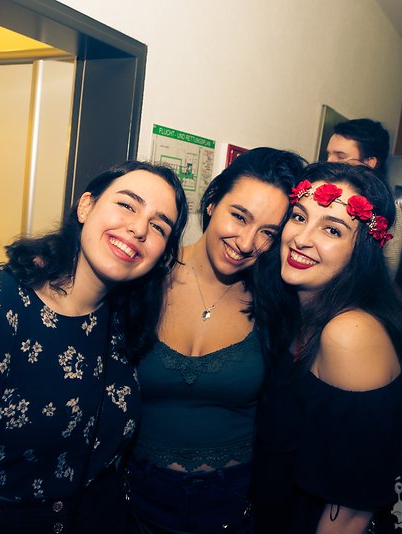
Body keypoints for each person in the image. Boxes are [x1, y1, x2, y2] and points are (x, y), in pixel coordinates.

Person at [0, 161, 188, 533]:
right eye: (127, 205)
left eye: (158, 227)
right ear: (86, 206)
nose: (139, 228)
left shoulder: (123, 318)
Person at [127, 148, 306, 533]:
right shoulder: (144, 276)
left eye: (268, 233)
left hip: (229, 501)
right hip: (134, 494)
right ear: (211, 202)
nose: (247, 242)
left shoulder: (275, 304)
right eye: (239, 216)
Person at [253, 162, 402, 534]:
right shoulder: (299, 312)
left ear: (363, 250)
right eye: (299, 217)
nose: (302, 238)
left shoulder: (349, 333)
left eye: (332, 229)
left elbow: (351, 510)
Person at [326, 118, 402, 278]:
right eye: (328, 154)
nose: (329, 161)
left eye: (340, 156)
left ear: (370, 162)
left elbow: (388, 271)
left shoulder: (389, 210)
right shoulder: (320, 190)